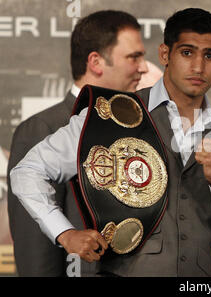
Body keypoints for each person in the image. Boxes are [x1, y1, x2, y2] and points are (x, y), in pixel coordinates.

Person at [10, 7, 211, 277]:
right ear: (165, 54)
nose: (198, 67)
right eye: (187, 52)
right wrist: (64, 232)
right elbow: (27, 172)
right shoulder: (110, 115)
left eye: (209, 56)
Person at [6, 10, 148, 276]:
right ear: (96, 62)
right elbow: (34, 249)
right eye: (133, 57)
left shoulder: (135, 129)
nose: (143, 67)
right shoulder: (42, 128)